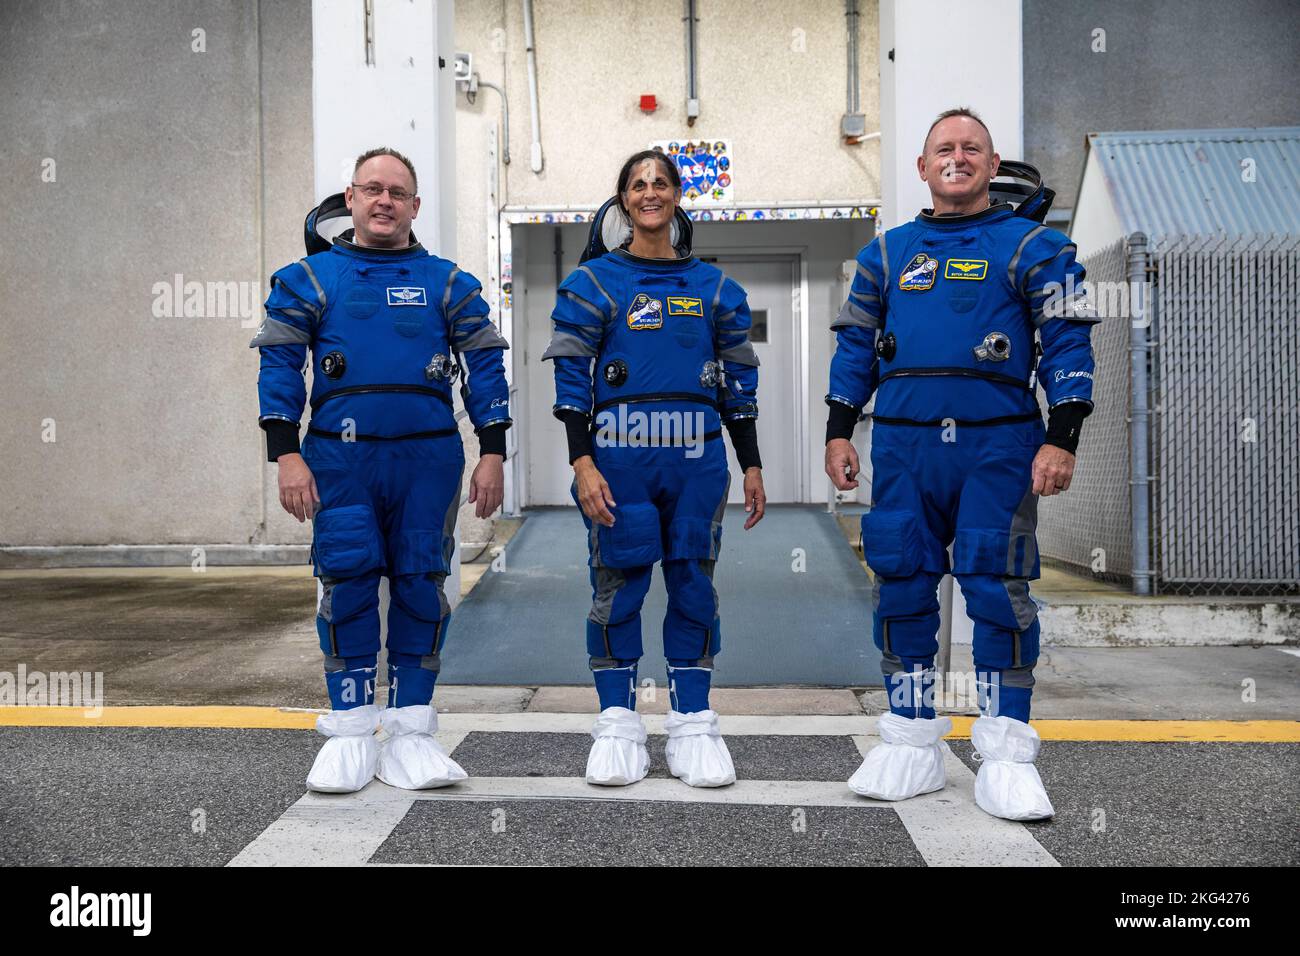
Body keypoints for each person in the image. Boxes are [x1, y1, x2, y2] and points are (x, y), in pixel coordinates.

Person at [825, 109, 1098, 820]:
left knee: (997, 589)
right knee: (903, 587)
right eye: (943, 148)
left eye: (970, 147)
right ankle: (912, 740)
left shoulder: (1035, 247)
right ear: (921, 168)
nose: (957, 156)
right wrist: (838, 430)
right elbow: (855, 349)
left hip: (999, 447)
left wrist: (1062, 434)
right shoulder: (886, 255)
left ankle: (1006, 754)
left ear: (992, 162)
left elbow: (1067, 343)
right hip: (904, 447)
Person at [250, 147, 511, 793]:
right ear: (352, 198)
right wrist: (285, 454)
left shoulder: (450, 283)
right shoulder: (308, 279)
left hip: (429, 457)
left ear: (415, 206)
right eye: (373, 189)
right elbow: (279, 366)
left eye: (398, 192)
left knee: (422, 582)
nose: (385, 201)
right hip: (339, 458)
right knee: (349, 578)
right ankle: (349, 731)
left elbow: (485, 369)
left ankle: (413, 735)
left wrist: (494, 451)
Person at [542, 150, 766, 788]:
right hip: (617, 459)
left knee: (694, 586)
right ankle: (617, 722)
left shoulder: (717, 289)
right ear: (622, 201)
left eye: (660, 183)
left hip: (698, 462)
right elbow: (569, 385)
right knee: (618, 589)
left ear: (676, 197)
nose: (650, 193)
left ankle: (692, 724)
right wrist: (581, 462)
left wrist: (751, 464)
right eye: (638, 185)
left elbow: (738, 388)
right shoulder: (591, 285)